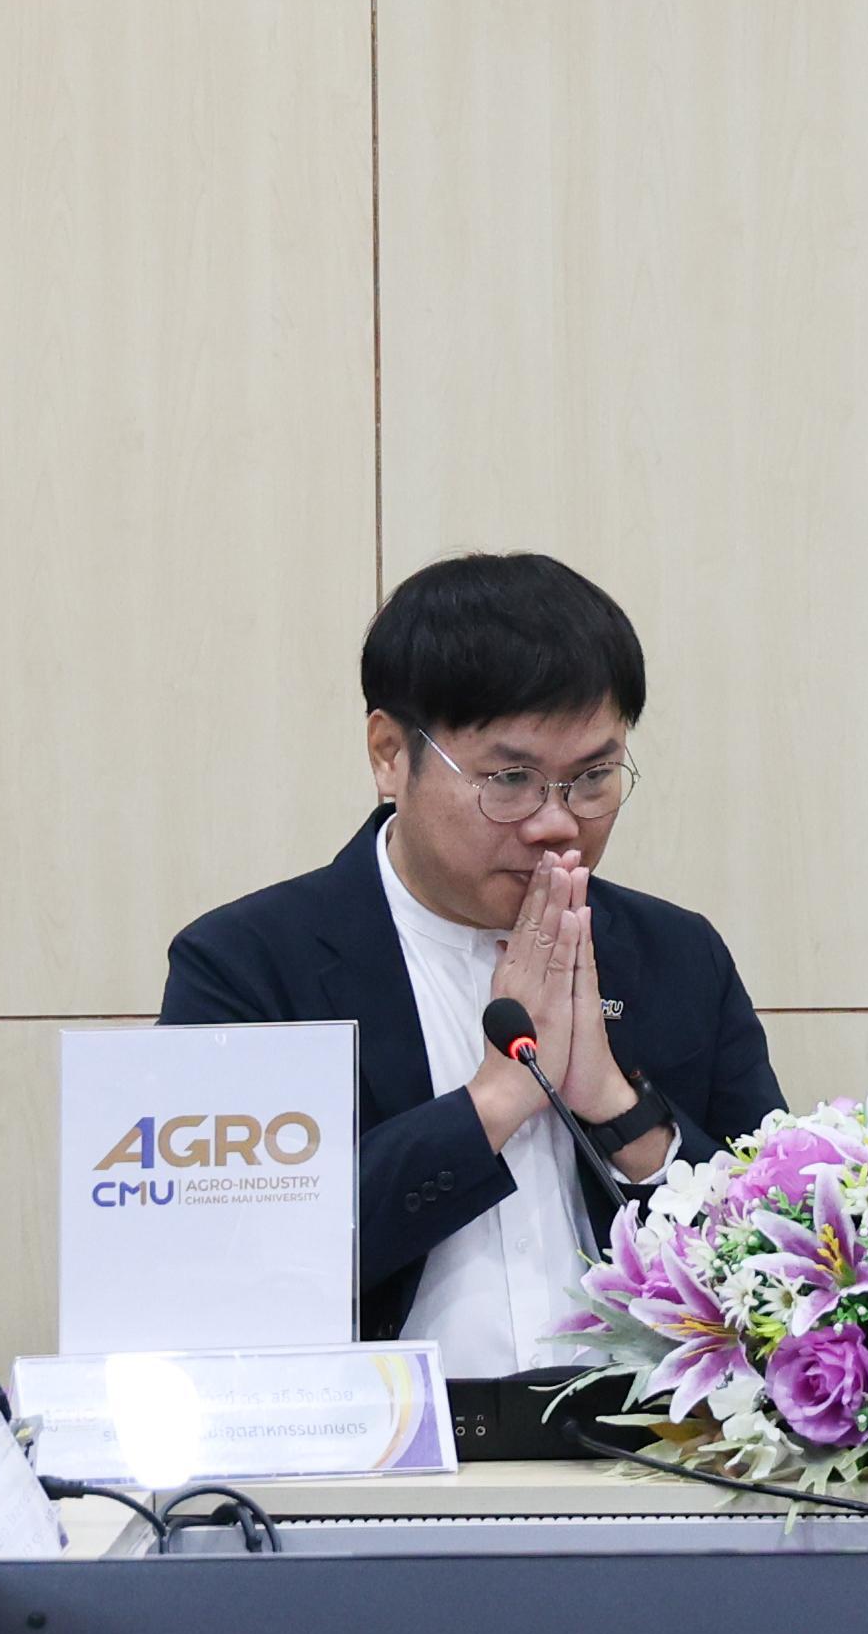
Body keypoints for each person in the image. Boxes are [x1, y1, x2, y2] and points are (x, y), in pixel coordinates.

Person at [159, 556, 784, 1366]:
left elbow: (779, 1256)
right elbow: (227, 1267)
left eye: (593, 777)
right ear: (390, 753)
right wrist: (496, 1099)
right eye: (512, 779)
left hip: (635, 1433)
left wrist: (619, 1111)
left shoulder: (675, 954)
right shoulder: (248, 965)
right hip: (371, 1439)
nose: (558, 824)